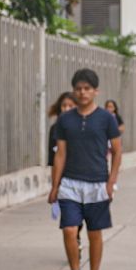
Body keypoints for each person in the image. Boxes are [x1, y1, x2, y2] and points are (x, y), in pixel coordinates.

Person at [48, 69, 122, 270]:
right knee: (70, 229)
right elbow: (60, 154)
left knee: (94, 233)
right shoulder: (65, 120)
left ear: (95, 91)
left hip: (97, 184)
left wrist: (111, 182)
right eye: (79, 89)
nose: (83, 93)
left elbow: (117, 151)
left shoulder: (106, 118)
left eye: (87, 89)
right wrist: (55, 186)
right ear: (74, 90)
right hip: (70, 183)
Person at [48, 93, 80, 250]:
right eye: (64, 106)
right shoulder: (55, 129)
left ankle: (77, 237)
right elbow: (53, 160)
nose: (67, 109)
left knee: (81, 217)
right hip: (64, 178)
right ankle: (75, 240)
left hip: (82, 176)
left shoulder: (84, 126)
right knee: (69, 218)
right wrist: (54, 185)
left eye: (70, 106)